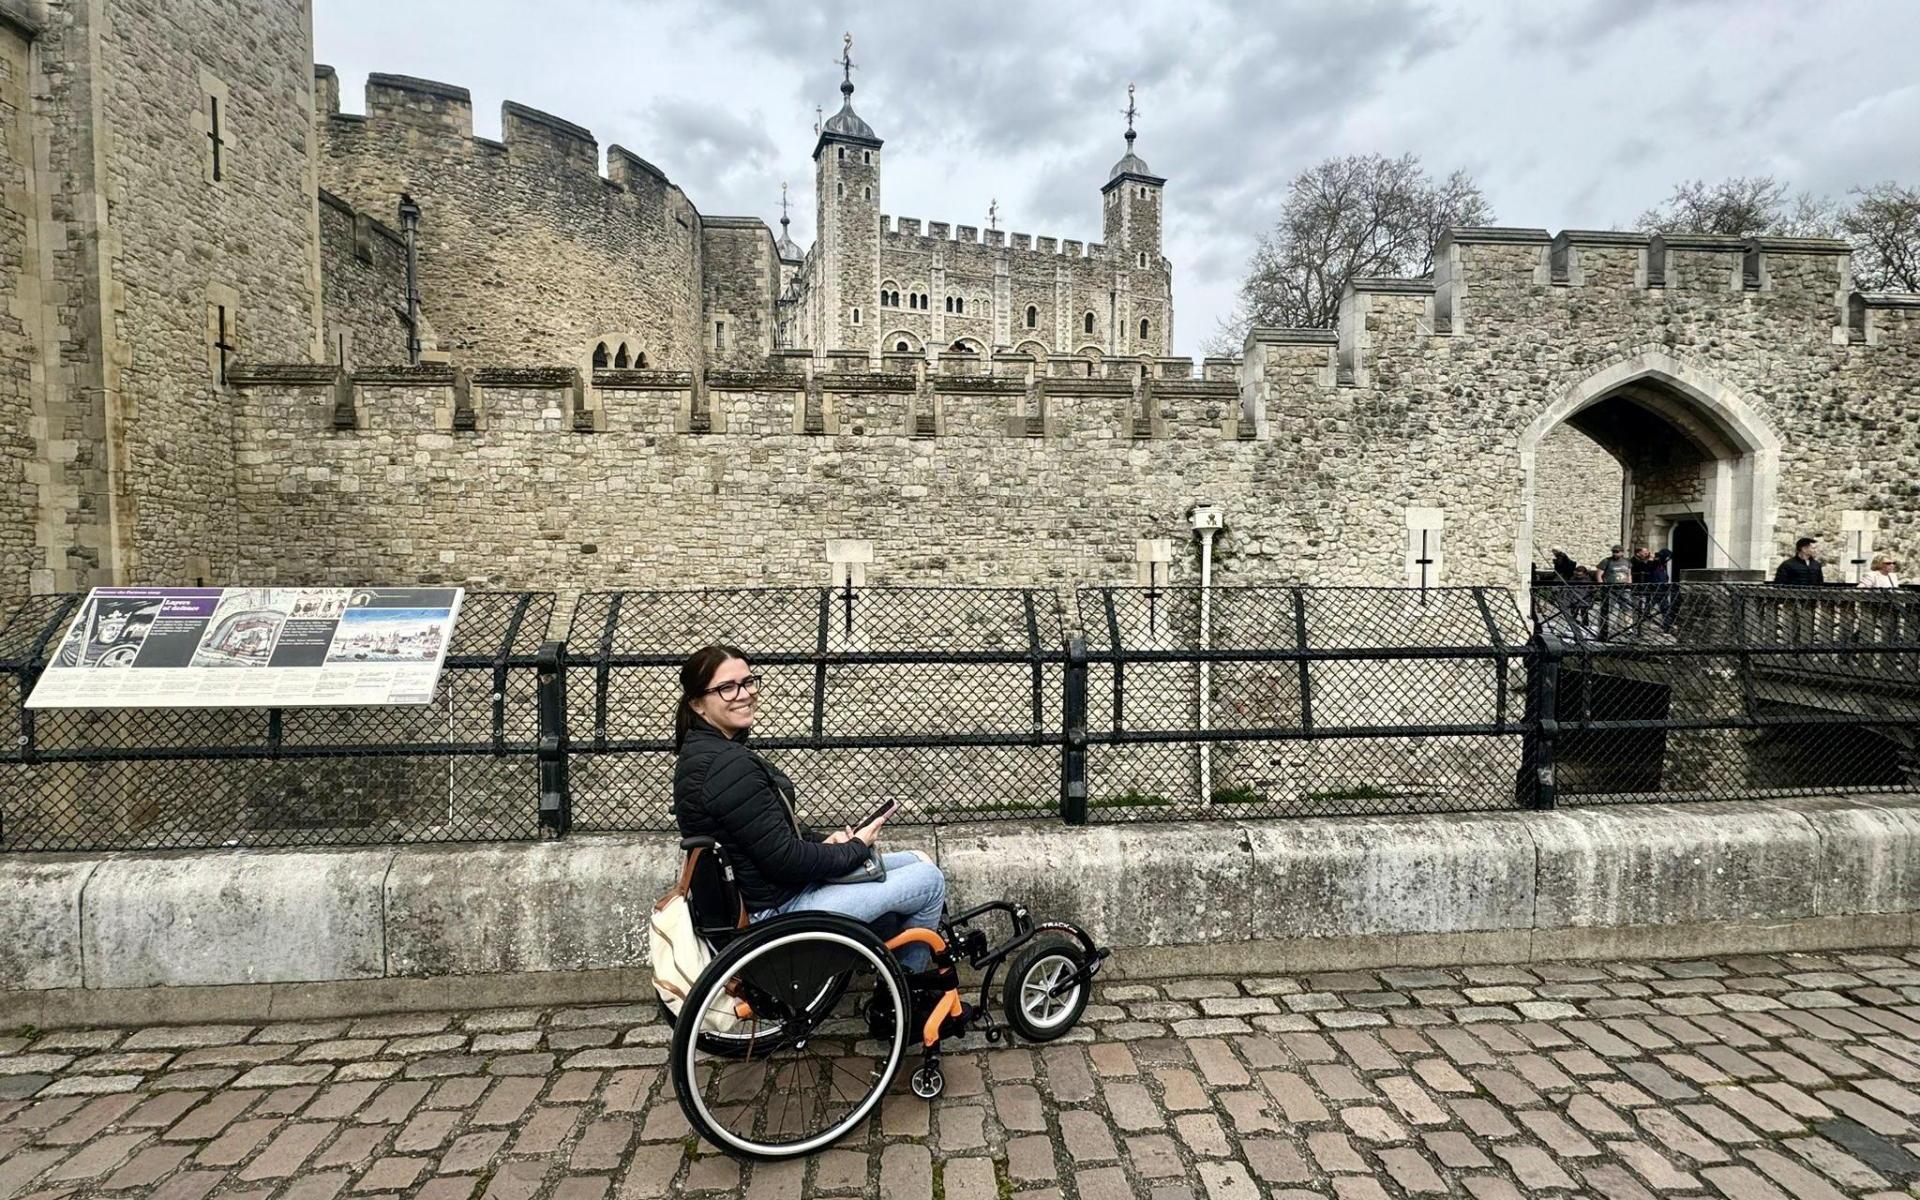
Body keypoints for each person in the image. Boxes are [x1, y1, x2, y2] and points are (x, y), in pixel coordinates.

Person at [671, 643, 948, 970]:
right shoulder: (728, 766)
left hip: (764, 896)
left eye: (748, 682)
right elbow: (786, 861)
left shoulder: (705, 755)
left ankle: (888, 966)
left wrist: (822, 841)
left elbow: (760, 832)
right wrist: (857, 847)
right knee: (929, 880)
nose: (744, 694)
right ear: (698, 705)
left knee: (917, 859)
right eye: (726, 688)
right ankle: (906, 993)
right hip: (779, 913)